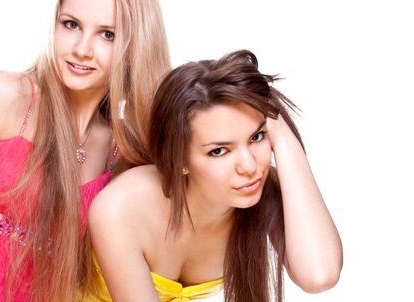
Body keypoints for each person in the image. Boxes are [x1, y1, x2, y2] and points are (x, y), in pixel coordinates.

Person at [0, 0, 170, 301]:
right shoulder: (7, 96)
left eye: (107, 34)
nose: (81, 49)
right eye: (71, 24)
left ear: (134, 45)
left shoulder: (123, 153)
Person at [88, 50, 343, 302]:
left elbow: (319, 275)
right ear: (180, 160)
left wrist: (283, 137)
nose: (249, 166)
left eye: (256, 137)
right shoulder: (120, 209)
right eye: (219, 151)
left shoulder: (264, 189)